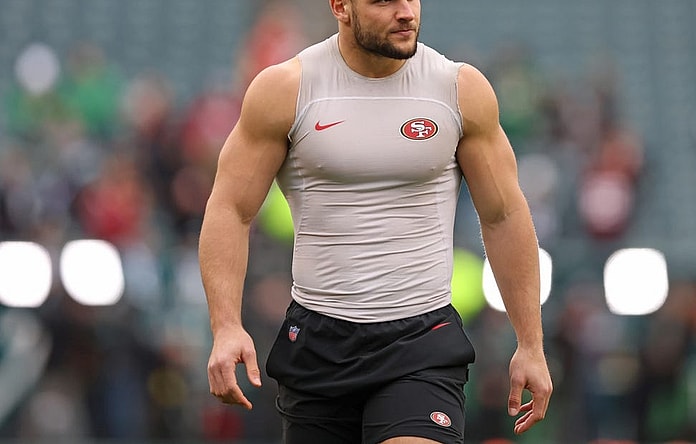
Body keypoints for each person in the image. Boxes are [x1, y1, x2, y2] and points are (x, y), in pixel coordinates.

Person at [199, 1, 553, 442]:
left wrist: (530, 344)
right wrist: (226, 325)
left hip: (421, 340)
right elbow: (230, 208)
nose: (406, 12)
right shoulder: (287, 89)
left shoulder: (458, 90)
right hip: (318, 339)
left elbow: (503, 215)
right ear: (341, 7)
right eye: (384, 0)